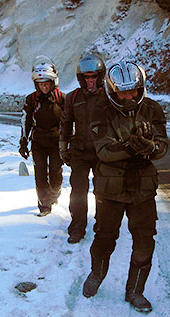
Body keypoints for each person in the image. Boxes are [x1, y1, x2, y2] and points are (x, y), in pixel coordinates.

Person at [82, 60, 168, 313]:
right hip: (110, 187)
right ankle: (96, 274)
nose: (129, 96)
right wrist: (131, 146)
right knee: (105, 236)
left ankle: (135, 291)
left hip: (143, 186)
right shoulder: (101, 109)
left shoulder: (152, 109)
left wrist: (151, 148)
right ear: (112, 90)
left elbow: (163, 144)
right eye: (123, 92)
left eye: (133, 91)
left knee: (144, 239)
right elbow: (105, 151)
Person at [59, 53, 106, 244]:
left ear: (100, 76)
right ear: (81, 78)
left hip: (103, 151)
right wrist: (63, 147)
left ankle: (103, 225)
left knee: (102, 191)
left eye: (94, 76)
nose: (90, 81)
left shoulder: (108, 96)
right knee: (78, 191)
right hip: (79, 151)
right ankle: (77, 227)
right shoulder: (72, 98)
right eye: (87, 77)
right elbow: (65, 123)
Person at [19, 55, 65, 217]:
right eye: (41, 84)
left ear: (53, 82)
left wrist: (69, 142)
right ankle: (44, 205)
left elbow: (70, 122)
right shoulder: (31, 100)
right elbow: (26, 121)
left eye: (46, 83)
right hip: (38, 142)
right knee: (40, 173)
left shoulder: (62, 99)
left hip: (56, 143)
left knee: (55, 174)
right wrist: (23, 142)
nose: (44, 87)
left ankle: (55, 193)